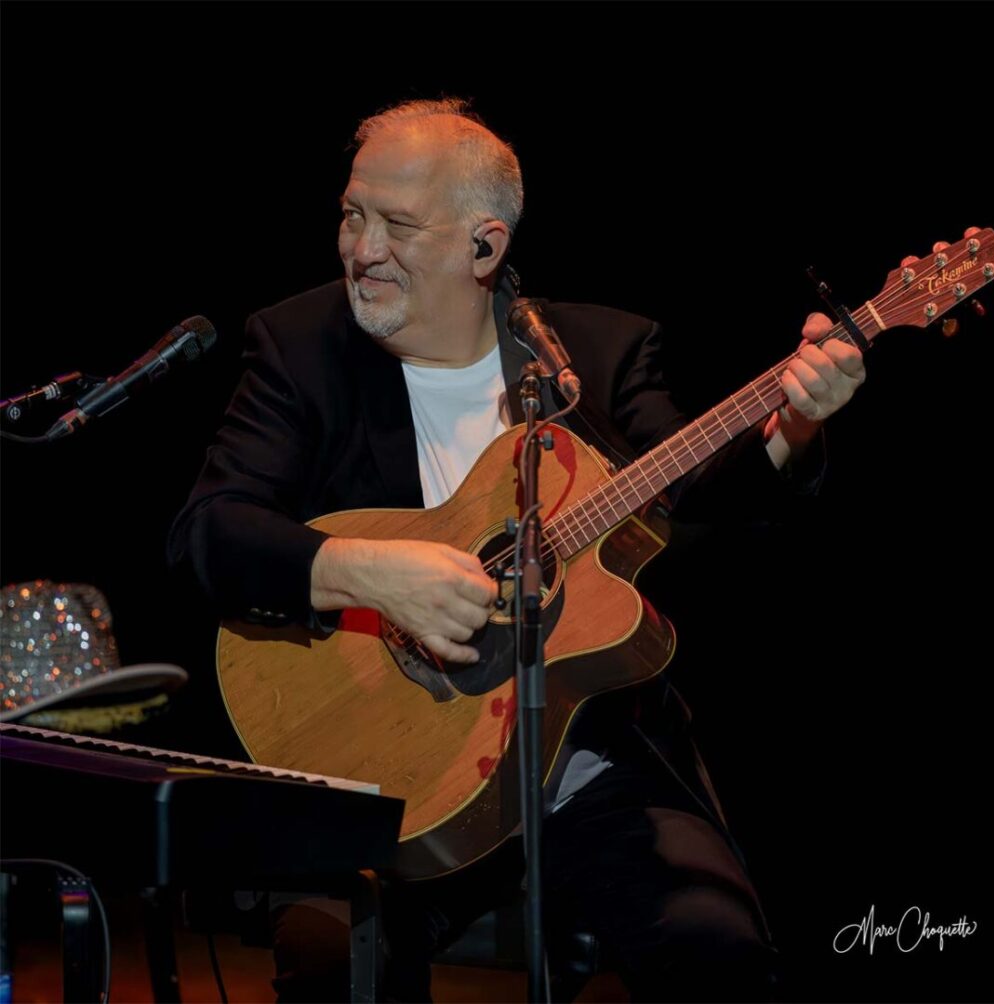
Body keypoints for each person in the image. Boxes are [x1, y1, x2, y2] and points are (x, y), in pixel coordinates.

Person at [168, 98, 865, 1002]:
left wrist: (795, 428)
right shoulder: (302, 346)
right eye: (352, 215)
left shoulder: (594, 353)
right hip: (399, 777)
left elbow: (691, 500)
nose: (362, 249)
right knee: (335, 960)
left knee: (717, 952)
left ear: (484, 246)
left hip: (587, 764)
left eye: (398, 225)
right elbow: (209, 531)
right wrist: (372, 574)